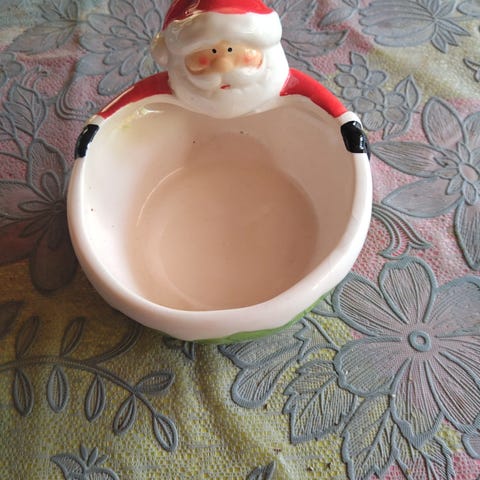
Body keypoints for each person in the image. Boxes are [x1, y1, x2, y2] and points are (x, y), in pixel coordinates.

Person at [75, 0, 369, 158]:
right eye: (209, 54)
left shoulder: (278, 82)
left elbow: (313, 95)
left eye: (232, 51)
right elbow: (136, 96)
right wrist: (97, 126)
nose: (223, 64)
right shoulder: (177, 86)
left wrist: (345, 124)